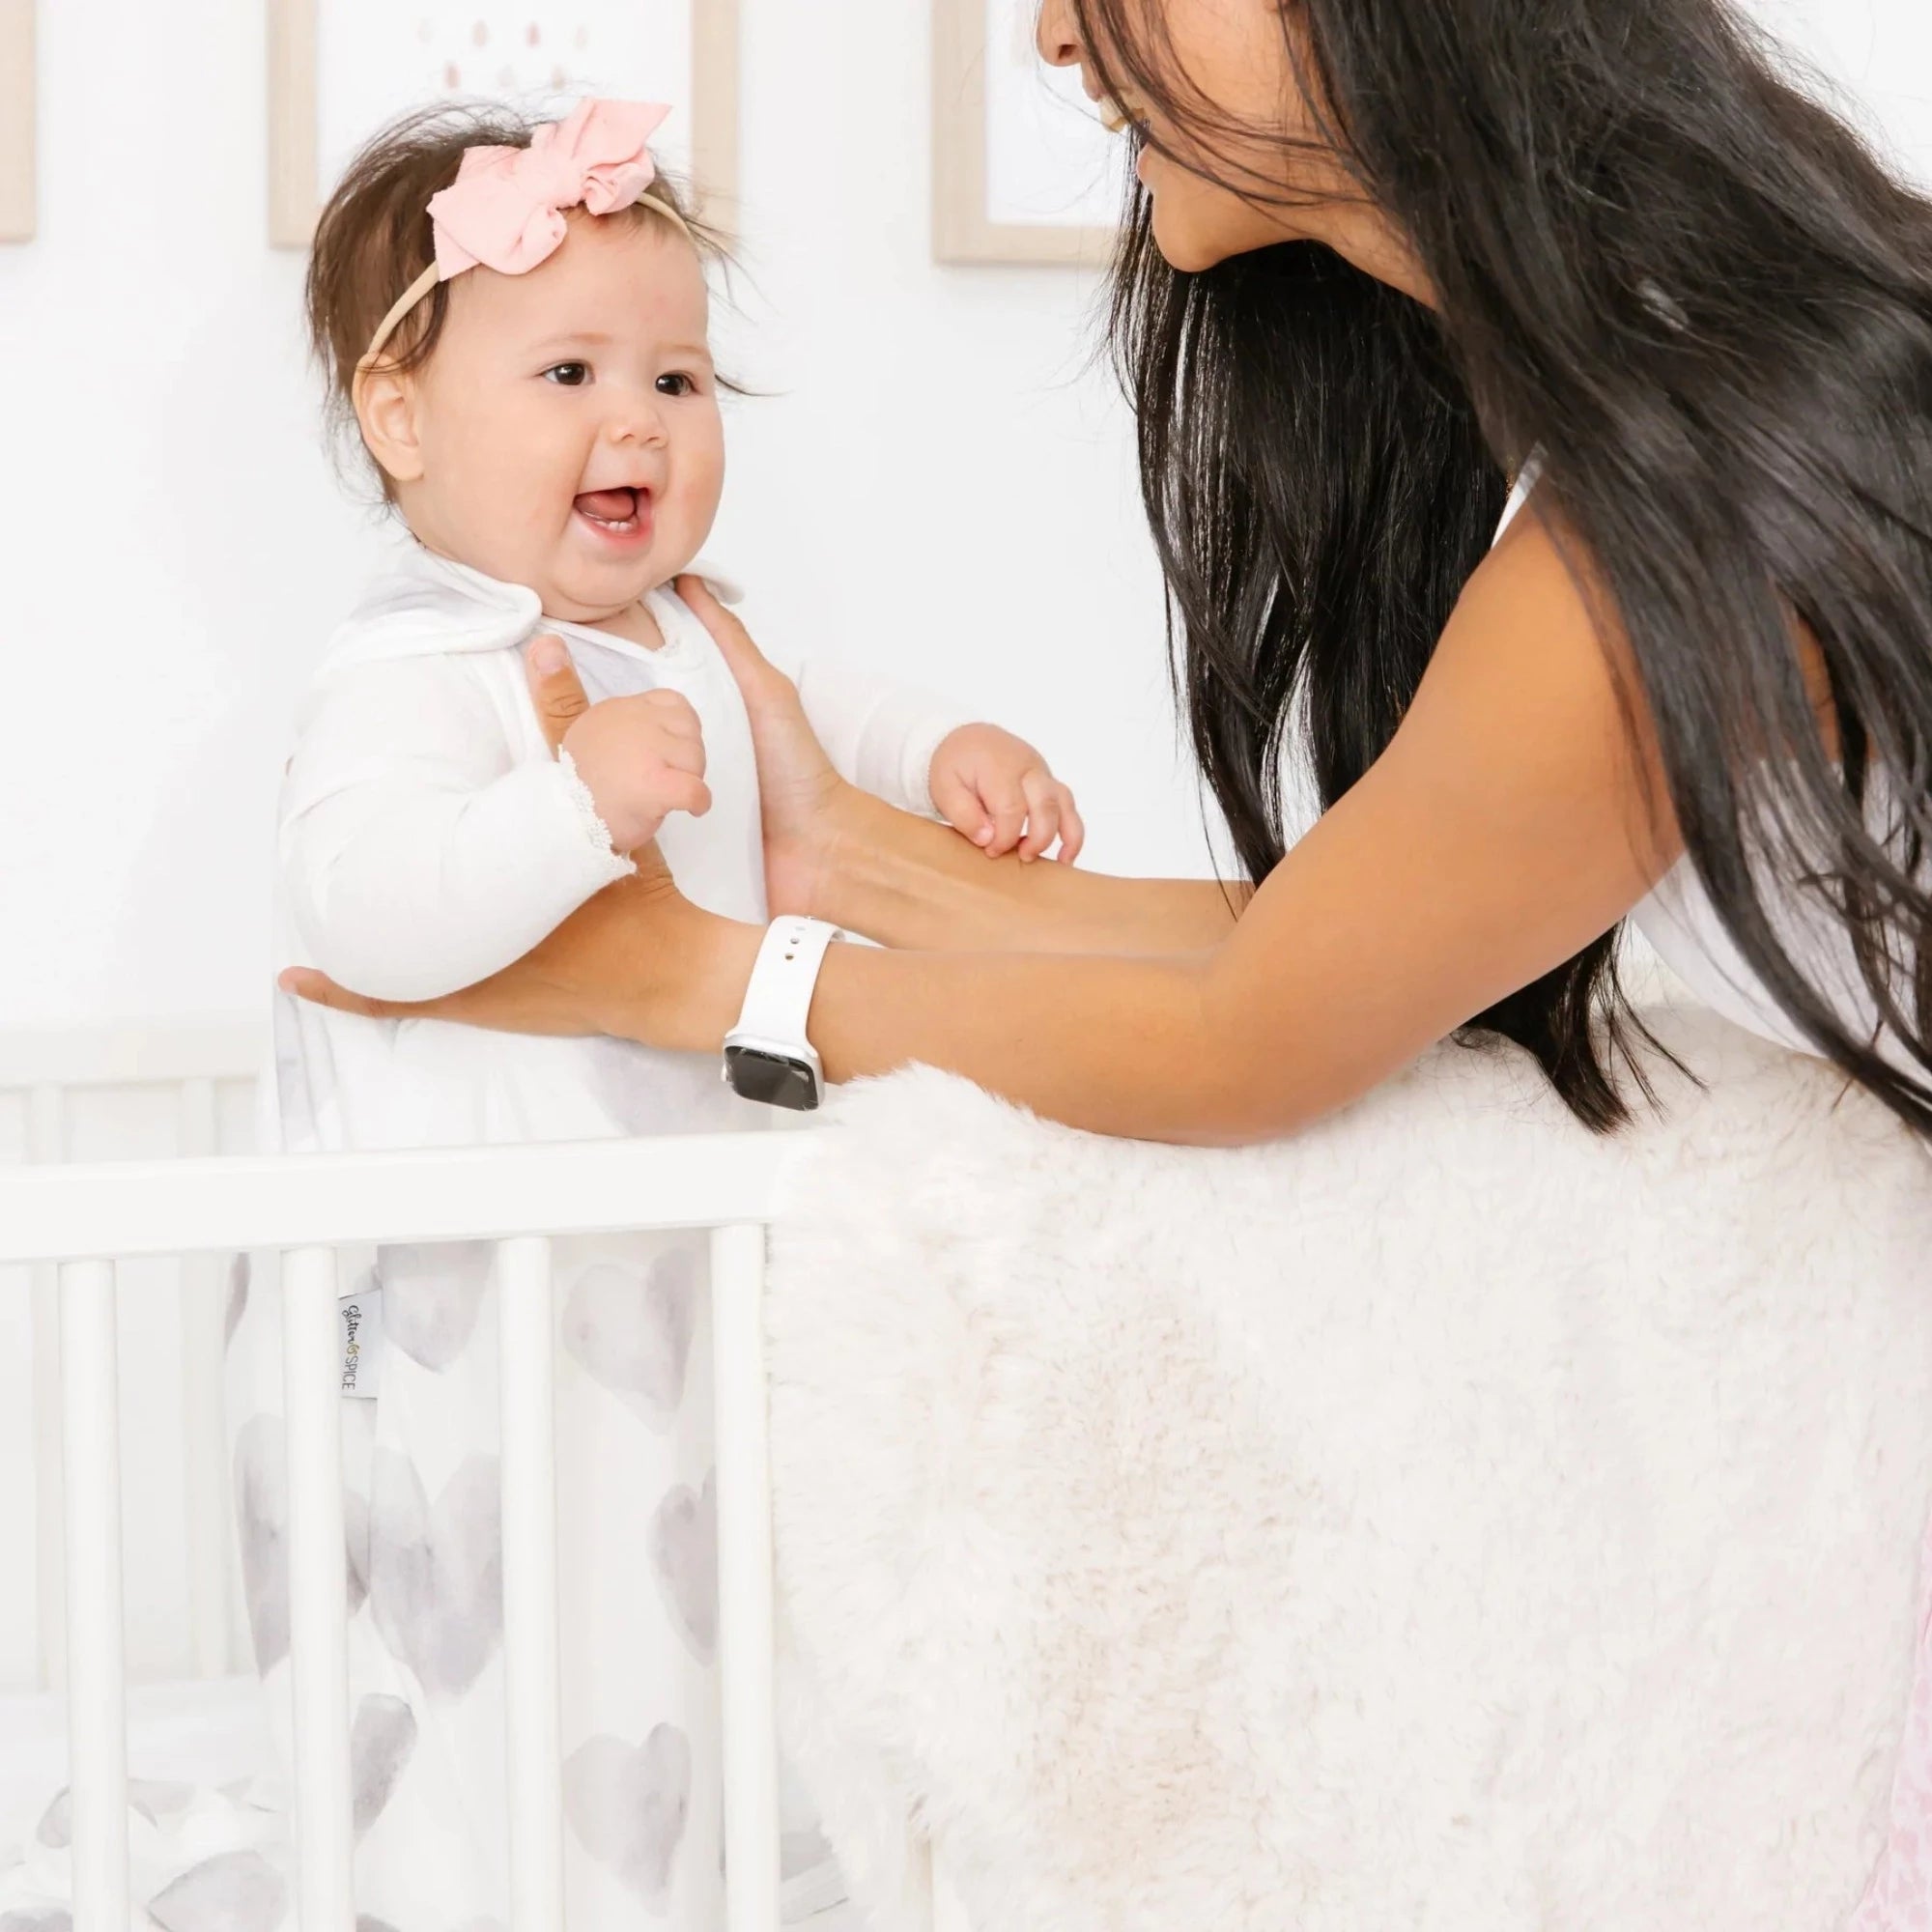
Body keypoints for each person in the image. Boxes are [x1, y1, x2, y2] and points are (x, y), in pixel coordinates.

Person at [284, 2, 1932, 1918]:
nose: (1054, 33)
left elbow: (1256, 1031)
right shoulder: (1666, 403)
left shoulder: (1691, 472)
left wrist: (689, 978)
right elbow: (1350, 942)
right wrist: (860, 861)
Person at [248, 97, 1079, 1928]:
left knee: (678, 1593)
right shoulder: (413, 666)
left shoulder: (689, 631)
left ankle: (674, 1874)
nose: (637, 421)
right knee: (479, 1602)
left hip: (662, 1259)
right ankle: (454, 1888)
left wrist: (944, 749)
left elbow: (818, 721)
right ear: (401, 420)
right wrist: (571, 810)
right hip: (459, 1288)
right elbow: (357, 903)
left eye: (680, 380)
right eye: (567, 372)